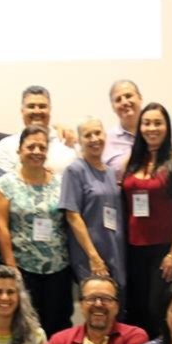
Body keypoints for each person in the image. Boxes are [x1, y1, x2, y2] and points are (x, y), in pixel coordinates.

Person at [122, 102, 172, 338]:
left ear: (167, 127)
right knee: (136, 309)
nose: (151, 128)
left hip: (166, 249)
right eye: (147, 123)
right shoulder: (132, 162)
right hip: (134, 249)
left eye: (158, 123)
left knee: (158, 309)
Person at [0, 125, 72, 337]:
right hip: (24, 268)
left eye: (42, 147)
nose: (36, 151)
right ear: (19, 151)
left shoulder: (60, 182)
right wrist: (11, 267)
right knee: (26, 326)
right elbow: (1, 227)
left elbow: (70, 220)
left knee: (58, 324)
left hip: (58, 268)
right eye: (31, 147)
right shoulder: (5, 184)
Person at [60, 117, 127, 300]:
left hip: (115, 251)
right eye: (87, 135)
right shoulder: (75, 171)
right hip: (91, 255)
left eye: (97, 133)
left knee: (116, 305)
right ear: (80, 141)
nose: (94, 139)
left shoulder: (111, 173)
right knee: (97, 304)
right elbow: (73, 216)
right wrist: (94, 256)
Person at [102, 79, 172, 174]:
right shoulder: (106, 141)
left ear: (140, 98)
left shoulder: (170, 129)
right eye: (118, 100)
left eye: (128, 96)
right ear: (113, 107)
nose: (124, 102)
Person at [0, 85, 76, 175]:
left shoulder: (68, 141)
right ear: (22, 110)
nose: (37, 111)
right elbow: (5, 181)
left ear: (50, 110)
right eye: (31, 106)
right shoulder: (6, 145)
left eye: (42, 106)